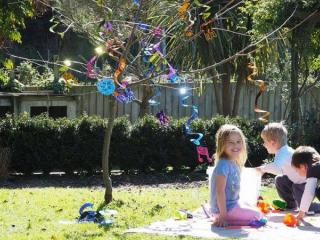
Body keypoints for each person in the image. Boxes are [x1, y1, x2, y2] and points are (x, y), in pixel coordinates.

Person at [210, 124, 263, 227]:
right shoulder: (223, 164)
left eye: (238, 142)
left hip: (232, 205)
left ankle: (230, 217)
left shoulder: (234, 162)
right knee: (258, 215)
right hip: (225, 210)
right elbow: (219, 191)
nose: (236, 145)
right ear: (222, 144)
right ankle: (222, 219)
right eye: (231, 142)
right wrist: (223, 215)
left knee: (254, 208)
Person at [256, 122, 306, 210]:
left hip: (305, 184)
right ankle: (291, 204)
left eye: (264, 142)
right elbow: (282, 170)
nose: (263, 144)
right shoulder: (283, 151)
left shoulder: (283, 152)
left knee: (306, 207)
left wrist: (263, 168)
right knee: (280, 180)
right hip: (297, 182)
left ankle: (314, 206)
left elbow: (277, 168)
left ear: (272, 142)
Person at [291, 146, 320, 221]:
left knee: (317, 190)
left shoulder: (312, 169)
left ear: (302, 166)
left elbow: (309, 192)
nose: (297, 173)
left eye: (297, 170)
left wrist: (301, 213)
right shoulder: (317, 167)